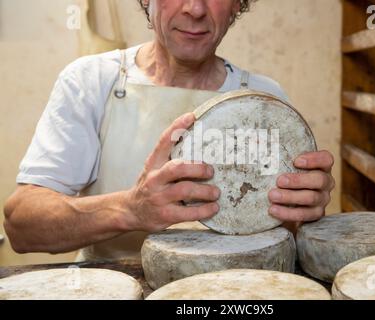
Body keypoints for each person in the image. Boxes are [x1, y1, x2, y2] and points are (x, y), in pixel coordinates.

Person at [3, 0, 335, 261]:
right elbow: (22, 226)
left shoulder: (265, 102)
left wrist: (302, 213)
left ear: (237, 4)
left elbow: (284, 236)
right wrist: (131, 209)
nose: (195, 9)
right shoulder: (90, 82)